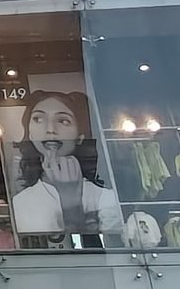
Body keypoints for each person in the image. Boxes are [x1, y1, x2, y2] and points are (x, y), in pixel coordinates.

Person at [10, 91, 122, 237]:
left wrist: (71, 200)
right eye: (38, 119)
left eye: (63, 121)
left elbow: (102, 247)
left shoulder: (106, 198)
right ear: (29, 134)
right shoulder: (20, 203)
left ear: (80, 136)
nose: (50, 129)